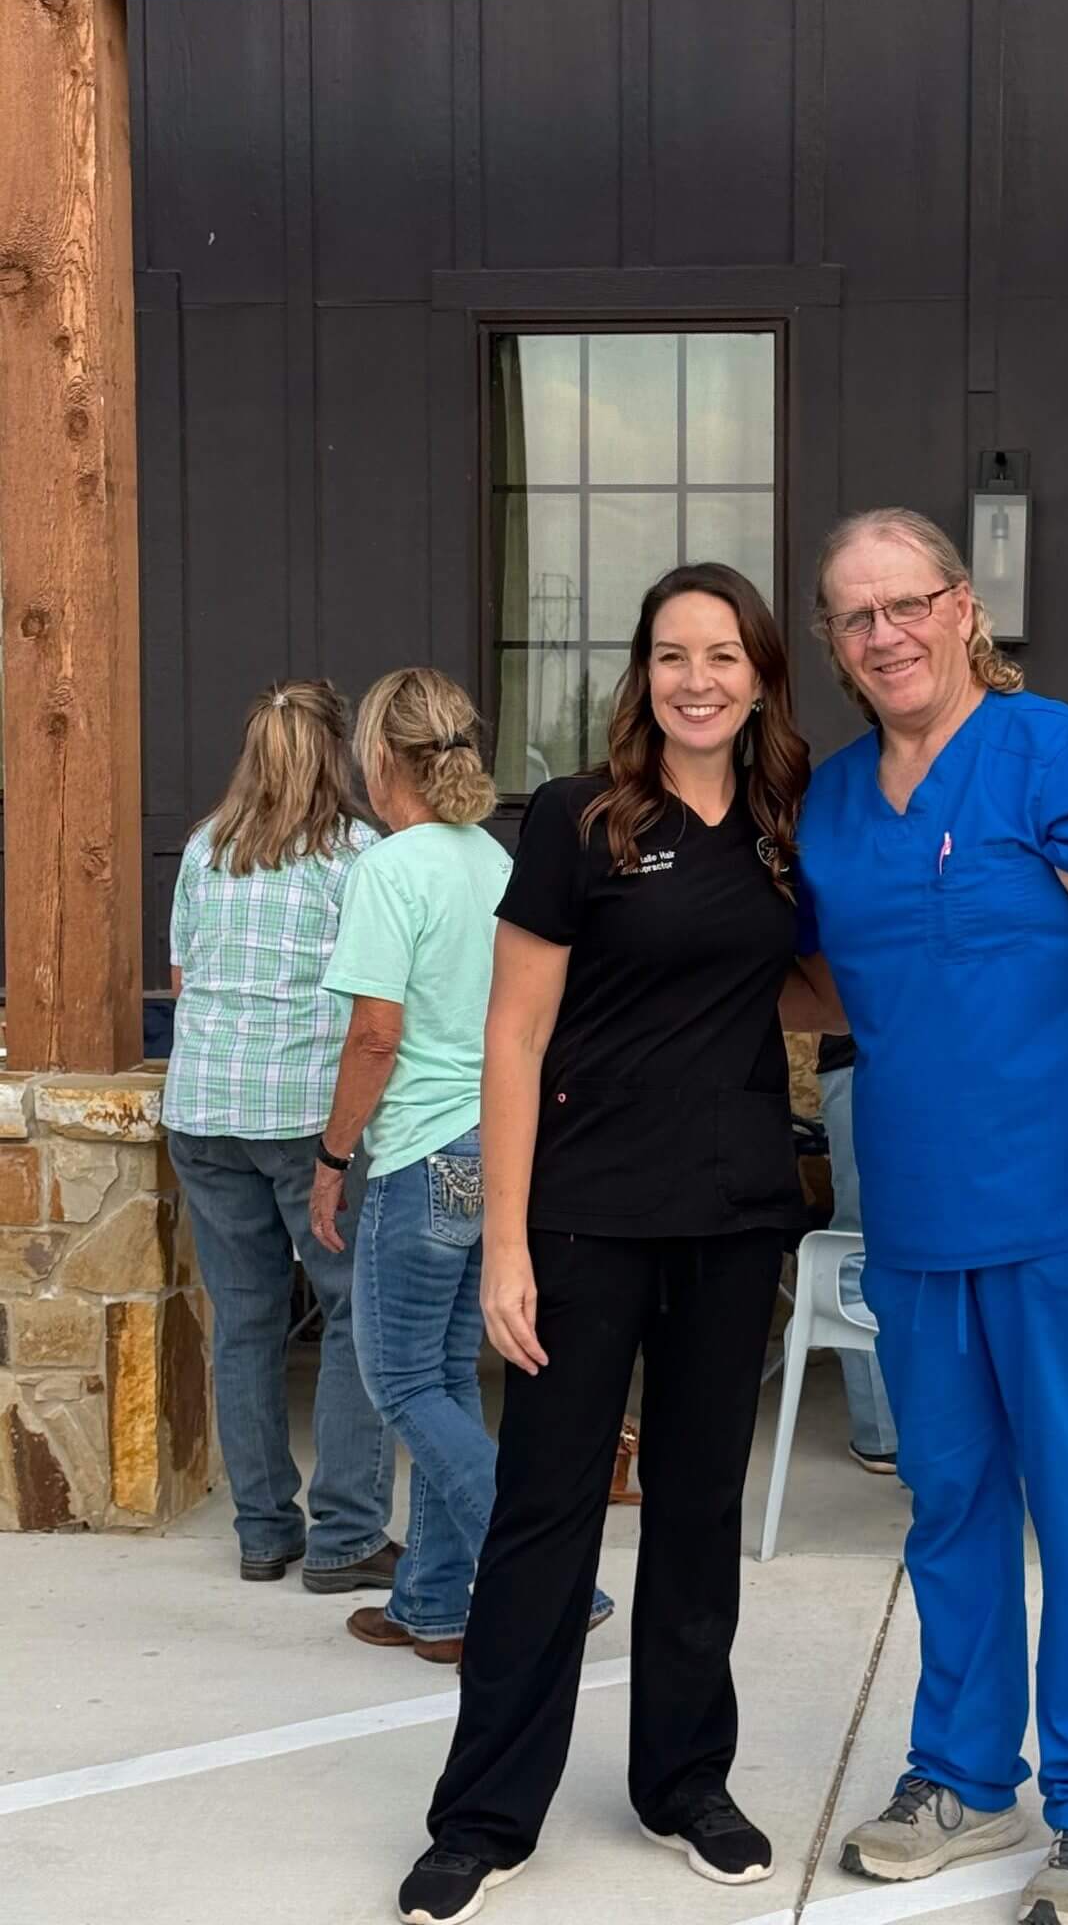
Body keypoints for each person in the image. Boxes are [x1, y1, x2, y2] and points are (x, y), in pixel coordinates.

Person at [397, 565, 813, 1925]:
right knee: (544, 1515)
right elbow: (512, 1035)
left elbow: (811, 978)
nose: (697, 677)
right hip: (583, 1218)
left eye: (723, 654)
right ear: (642, 672)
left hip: (736, 1214)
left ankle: (686, 1779)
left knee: (698, 1513)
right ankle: (484, 1815)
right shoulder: (579, 818)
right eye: (671, 653)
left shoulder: (787, 819)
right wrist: (504, 1241)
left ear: (759, 674)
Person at [795, 510, 1068, 1925]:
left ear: (964, 609)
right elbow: (822, 983)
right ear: (834, 642)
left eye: (909, 604)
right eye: (856, 616)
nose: (886, 634)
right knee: (951, 1503)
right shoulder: (835, 802)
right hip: (915, 1212)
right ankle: (962, 1776)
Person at [312, 668, 613, 1665]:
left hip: (419, 1149)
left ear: (378, 756)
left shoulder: (389, 869)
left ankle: (558, 1571)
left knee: (400, 1382)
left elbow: (374, 1038)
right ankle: (436, 1600)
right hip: (489, 1144)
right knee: (441, 1373)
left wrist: (330, 1156)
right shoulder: (491, 858)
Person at [165, 680, 398, 1593]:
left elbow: (186, 980)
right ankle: (345, 1534)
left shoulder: (203, 849)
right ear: (335, 755)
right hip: (308, 1118)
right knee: (352, 1314)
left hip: (204, 1110)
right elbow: (377, 1001)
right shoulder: (356, 857)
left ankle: (264, 1530)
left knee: (247, 1323)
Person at [815, 1033, 899, 1474]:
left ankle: (885, 1433)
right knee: (862, 1241)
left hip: (878, 1052)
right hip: (864, 1053)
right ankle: (880, 1433)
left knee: (861, 1242)